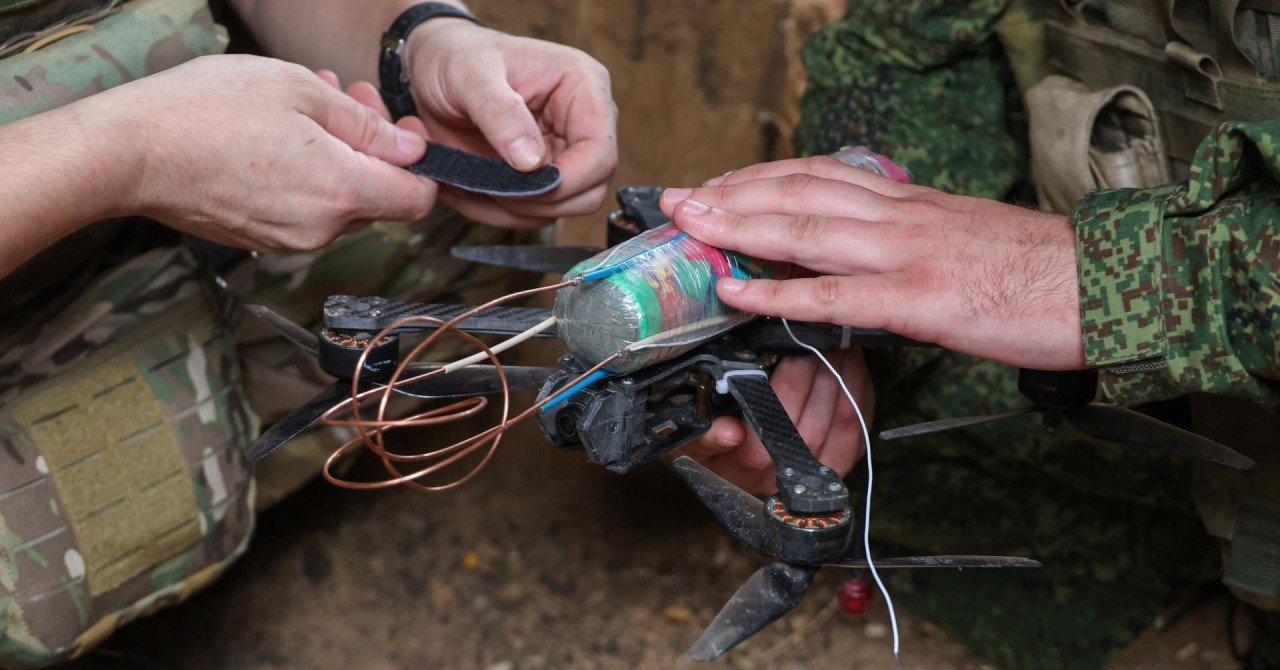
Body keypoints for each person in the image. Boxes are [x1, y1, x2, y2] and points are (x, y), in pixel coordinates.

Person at [0, 0, 615, 665]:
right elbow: (131, 148)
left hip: (96, 233)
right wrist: (136, 152)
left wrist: (417, 41)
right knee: (42, 580)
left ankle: (217, 460)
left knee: (457, 233)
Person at [669, 1, 1280, 668]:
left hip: (1190, 302)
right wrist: (851, 303)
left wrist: (1104, 275)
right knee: (875, 456)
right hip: (1167, 441)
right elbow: (901, 48)